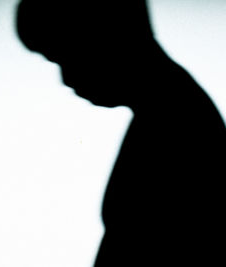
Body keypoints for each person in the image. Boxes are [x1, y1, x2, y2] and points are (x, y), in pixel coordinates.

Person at [16, 0, 226, 265]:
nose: (65, 79)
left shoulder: (176, 125)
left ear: (108, 34)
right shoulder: (168, 113)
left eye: (66, 55)